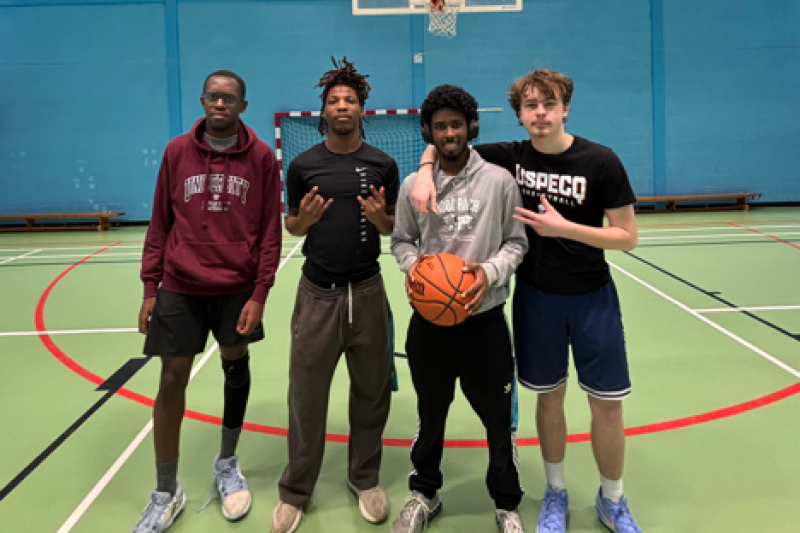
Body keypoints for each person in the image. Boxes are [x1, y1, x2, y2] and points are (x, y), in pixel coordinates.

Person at [410, 70, 642, 533]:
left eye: (549, 103)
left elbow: (627, 237)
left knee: (607, 404)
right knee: (549, 398)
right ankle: (555, 493)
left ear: (565, 108)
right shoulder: (510, 158)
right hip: (536, 298)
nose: (540, 113)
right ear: (518, 115)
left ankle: (612, 499)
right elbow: (448, 141)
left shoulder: (601, 161)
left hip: (593, 295)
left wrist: (566, 229)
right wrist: (422, 169)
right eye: (531, 105)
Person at [133, 69, 283, 533]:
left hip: (236, 286)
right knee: (172, 375)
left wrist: (260, 293)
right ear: (202, 101)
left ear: (243, 104)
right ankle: (166, 491)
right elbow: (160, 221)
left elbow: (270, 233)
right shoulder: (177, 152)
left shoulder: (261, 157)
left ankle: (226, 462)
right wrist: (149, 287)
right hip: (180, 284)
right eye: (212, 97)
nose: (220, 105)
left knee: (235, 364)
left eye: (229, 98)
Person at [390, 85, 528, 533]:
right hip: (430, 324)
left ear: (470, 126)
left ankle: (507, 503)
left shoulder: (499, 182)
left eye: (456, 123)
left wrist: (487, 273)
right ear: (428, 132)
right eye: (440, 125)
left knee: (496, 419)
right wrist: (415, 269)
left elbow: (516, 242)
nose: (449, 132)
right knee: (431, 414)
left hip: (484, 321)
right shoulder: (414, 185)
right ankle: (424, 493)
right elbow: (400, 241)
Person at [271, 57, 398, 533]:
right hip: (316, 296)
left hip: (367, 292)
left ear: (363, 109)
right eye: (333, 100)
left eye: (350, 100)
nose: (342, 106)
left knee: (371, 394)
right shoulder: (303, 166)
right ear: (322, 112)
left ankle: (365, 478)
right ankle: (295, 491)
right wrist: (304, 222)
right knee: (305, 397)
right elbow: (291, 227)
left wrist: (381, 217)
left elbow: (391, 228)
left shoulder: (383, 165)